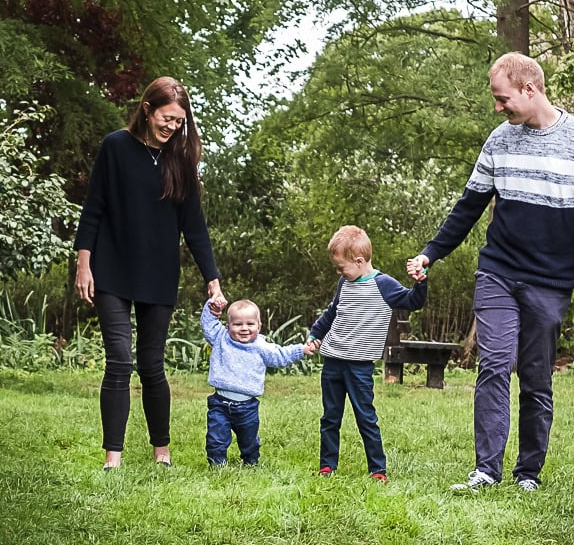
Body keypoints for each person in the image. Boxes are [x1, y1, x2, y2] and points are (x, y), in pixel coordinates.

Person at [406, 52, 574, 493]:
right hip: (498, 271)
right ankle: (485, 470)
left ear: (529, 89)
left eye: (503, 99)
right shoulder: (499, 140)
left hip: (551, 282)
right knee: (495, 364)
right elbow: (469, 206)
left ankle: (528, 474)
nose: (498, 107)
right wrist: (430, 254)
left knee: (536, 377)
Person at [74, 76, 227, 471]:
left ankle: (162, 452)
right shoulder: (115, 147)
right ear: (147, 109)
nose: (172, 127)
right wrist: (84, 264)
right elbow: (93, 208)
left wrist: (212, 279)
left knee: (151, 364)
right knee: (119, 360)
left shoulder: (181, 160)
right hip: (111, 269)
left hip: (158, 275)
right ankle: (113, 457)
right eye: (166, 118)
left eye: (179, 121)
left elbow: (194, 227)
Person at [308, 225, 428, 483]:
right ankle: (327, 465)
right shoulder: (344, 283)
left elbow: (413, 301)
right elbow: (331, 313)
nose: (338, 272)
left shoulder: (383, 285)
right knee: (330, 417)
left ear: (360, 261)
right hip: (333, 362)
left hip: (359, 367)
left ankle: (377, 469)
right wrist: (315, 334)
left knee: (366, 418)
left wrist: (421, 282)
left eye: (341, 267)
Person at [200, 299, 317, 466]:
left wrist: (302, 349)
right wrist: (212, 305)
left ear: (259, 326)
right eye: (237, 324)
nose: (244, 328)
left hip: (247, 408)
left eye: (250, 324)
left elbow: (281, 355)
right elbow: (208, 324)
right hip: (219, 403)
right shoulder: (220, 338)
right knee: (216, 438)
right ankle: (217, 464)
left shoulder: (261, 346)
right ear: (228, 326)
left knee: (249, 441)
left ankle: (251, 462)